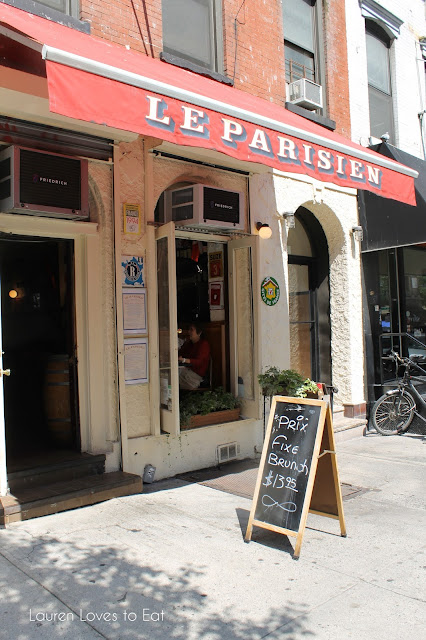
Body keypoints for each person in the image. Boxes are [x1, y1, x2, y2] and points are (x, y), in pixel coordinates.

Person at [178, 323, 210, 390]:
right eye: (189, 329)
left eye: (191, 330)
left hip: (195, 375)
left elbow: (199, 362)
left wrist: (184, 360)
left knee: (173, 374)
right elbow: (180, 353)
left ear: (199, 333)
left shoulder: (204, 344)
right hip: (187, 370)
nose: (188, 332)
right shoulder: (189, 344)